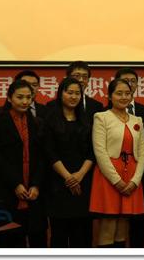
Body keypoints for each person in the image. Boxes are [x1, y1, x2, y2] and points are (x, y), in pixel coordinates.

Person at [0, 79, 47, 248]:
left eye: (28, 97)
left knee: (37, 239)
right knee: (9, 241)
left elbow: (41, 157)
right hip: (6, 190)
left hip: (33, 193)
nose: (25, 101)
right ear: (9, 98)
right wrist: (16, 184)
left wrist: (36, 185)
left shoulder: (37, 122)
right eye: (20, 97)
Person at [89, 79, 144, 248]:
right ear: (109, 96)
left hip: (131, 176)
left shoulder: (137, 120)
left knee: (123, 227)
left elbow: (142, 153)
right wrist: (116, 181)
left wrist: (135, 181)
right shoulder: (101, 117)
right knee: (108, 225)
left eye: (127, 93)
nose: (124, 97)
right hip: (109, 177)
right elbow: (100, 152)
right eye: (119, 93)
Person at [43, 77, 94, 247]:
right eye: (69, 92)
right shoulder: (50, 119)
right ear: (61, 94)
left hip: (83, 181)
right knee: (59, 235)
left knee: (81, 235)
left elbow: (92, 152)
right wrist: (68, 177)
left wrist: (80, 175)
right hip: (58, 183)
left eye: (77, 93)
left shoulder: (86, 119)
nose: (73, 96)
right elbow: (49, 152)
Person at [114, 67, 144, 248]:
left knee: (137, 221)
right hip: (114, 175)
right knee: (115, 221)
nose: (129, 85)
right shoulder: (104, 113)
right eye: (125, 81)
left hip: (139, 175)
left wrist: (139, 178)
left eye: (133, 81)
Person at [50, 61, 104, 126]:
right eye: (77, 76)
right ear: (68, 77)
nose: (81, 80)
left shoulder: (97, 106)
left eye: (85, 77)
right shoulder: (51, 106)